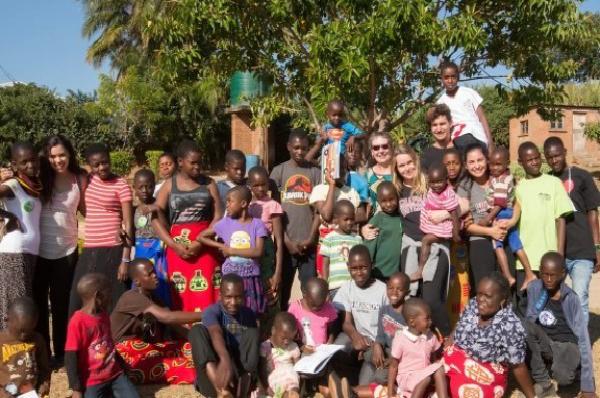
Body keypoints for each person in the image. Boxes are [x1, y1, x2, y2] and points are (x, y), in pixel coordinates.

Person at [153, 139, 222, 312]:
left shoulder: (209, 183)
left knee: (209, 295)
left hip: (206, 245)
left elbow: (219, 216)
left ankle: (209, 334)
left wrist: (202, 241)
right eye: (193, 163)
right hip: (178, 250)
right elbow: (154, 215)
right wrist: (173, 245)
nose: (198, 167)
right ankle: (183, 337)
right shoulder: (169, 185)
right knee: (180, 296)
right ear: (180, 162)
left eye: (200, 162)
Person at [35, 134, 87, 365]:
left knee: (61, 304)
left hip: (66, 251)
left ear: (70, 154)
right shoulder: (37, 177)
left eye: (62, 155)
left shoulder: (80, 179)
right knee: (38, 304)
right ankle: (43, 352)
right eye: (53, 156)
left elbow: (89, 211)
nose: (58, 160)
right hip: (37, 251)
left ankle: (62, 354)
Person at [110, 259, 201, 385]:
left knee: (190, 348)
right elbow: (168, 317)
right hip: (124, 355)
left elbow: (176, 326)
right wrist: (206, 314)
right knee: (178, 366)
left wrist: (201, 341)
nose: (155, 276)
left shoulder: (154, 300)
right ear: (137, 281)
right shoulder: (130, 297)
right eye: (149, 274)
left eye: (154, 272)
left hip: (147, 350)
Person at [68, 143, 133, 316]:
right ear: (89, 165)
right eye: (96, 165)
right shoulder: (87, 180)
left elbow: (128, 222)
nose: (101, 167)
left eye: (105, 162)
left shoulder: (121, 184)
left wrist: (125, 260)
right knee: (79, 299)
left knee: (113, 301)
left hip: (114, 249)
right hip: (90, 248)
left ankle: (115, 341)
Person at [444, 273, 535, 398]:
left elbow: (518, 366)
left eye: (487, 296)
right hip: (458, 356)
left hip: (485, 373)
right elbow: (460, 323)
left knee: (462, 391)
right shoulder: (473, 305)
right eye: (479, 294)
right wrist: (450, 338)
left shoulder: (510, 326)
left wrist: (532, 396)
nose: (480, 299)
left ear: (502, 300)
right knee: (428, 372)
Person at [392, 144, 451, 335]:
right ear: (396, 169)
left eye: (409, 162)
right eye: (401, 166)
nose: (407, 168)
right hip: (410, 248)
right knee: (412, 301)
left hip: (435, 245)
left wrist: (445, 213)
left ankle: (451, 340)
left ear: (415, 160)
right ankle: (425, 344)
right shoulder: (397, 190)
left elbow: (460, 204)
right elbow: (382, 211)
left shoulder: (431, 182)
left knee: (432, 300)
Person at [544, 136, 600, 324]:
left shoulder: (582, 176)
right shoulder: (547, 180)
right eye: (550, 157)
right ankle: (560, 338)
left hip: (582, 250)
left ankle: (580, 344)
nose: (554, 160)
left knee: (579, 297)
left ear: (565, 153)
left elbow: (593, 213)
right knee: (552, 298)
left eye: (557, 155)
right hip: (556, 252)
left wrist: (597, 247)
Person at [523, 252, 596, 397]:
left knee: (563, 378)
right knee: (525, 327)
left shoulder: (571, 299)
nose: (549, 279)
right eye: (545, 274)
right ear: (540, 271)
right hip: (547, 342)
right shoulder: (534, 288)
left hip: (567, 344)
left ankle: (575, 373)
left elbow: (583, 338)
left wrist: (588, 386)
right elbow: (531, 320)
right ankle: (544, 383)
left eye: (553, 275)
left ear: (562, 274)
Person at [65, 273, 139, 398]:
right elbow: (70, 356)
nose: (111, 298)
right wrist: (76, 388)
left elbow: (109, 344)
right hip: (92, 380)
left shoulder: (103, 315)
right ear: (98, 296)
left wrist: (122, 363)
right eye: (109, 293)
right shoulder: (77, 321)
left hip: (115, 374)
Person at [270, 130, 321, 310]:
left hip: (309, 245)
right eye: (296, 147)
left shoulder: (315, 173)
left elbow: (318, 211)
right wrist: (286, 241)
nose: (300, 151)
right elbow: (274, 212)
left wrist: (310, 238)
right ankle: (281, 328)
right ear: (289, 147)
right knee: (282, 291)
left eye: (304, 148)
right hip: (285, 245)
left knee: (310, 291)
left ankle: (308, 327)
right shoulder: (278, 172)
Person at [188, 274, 259, 398]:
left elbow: (251, 352)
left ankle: (244, 388)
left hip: (238, 376)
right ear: (220, 296)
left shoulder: (248, 314)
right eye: (228, 297)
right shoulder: (212, 312)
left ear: (244, 295)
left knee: (253, 332)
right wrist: (224, 359)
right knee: (197, 331)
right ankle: (222, 391)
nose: (233, 302)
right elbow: (215, 332)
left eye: (238, 297)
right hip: (214, 375)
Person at [199, 186, 268, 315]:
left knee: (253, 314)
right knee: (230, 314)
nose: (227, 205)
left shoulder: (257, 224)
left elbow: (258, 251)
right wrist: (220, 246)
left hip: (251, 277)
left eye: (230, 201)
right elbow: (201, 236)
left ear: (243, 203)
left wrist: (231, 251)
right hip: (230, 279)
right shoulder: (225, 223)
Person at [514, 142, 573, 291]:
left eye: (537, 158)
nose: (534, 162)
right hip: (524, 261)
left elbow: (561, 220)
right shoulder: (517, 188)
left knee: (549, 308)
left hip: (549, 261)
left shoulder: (554, 183)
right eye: (529, 159)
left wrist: (559, 254)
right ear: (521, 162)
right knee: (526, 307)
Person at [332, 245, 388, 385]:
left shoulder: (383, 290)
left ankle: (359, 384)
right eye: (354, 268)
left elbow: (388, 325)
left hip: (376, 342)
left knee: (370, 381)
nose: (359, 273)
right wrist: (355, 336)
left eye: (363, 267)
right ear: (348, 267)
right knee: (338, 348)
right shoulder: (347, 288)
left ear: (371, 265)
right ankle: (345, 380)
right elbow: (346, 322)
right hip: (358, 335)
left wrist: (377, 344)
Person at [0, 142, 42, 330]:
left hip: (27, 254)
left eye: (33, 160)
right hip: (14, 253)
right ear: (14, 165)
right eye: (24, 162)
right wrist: (8, 216)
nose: (30, 165)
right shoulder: (13, 185)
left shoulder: (34, 185)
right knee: (16, 309)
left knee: (20, 304)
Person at [457, 143, 508, 288]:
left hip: (505, 234)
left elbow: (515, 205)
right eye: (471, 162)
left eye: (480, 160)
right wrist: (491, 232)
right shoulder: (464, 186)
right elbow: (467, 226)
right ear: (466, 165)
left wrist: (504, 228)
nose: (477, 166)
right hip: (480, 238)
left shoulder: (499, 179)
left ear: (487, 160)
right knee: (485, 285)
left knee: (506, 283)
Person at [482, 147, 533, 288]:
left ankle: (508, 276)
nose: (494, 168)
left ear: (507, 163)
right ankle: (529, 273)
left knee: (498, 246)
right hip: (510, 213)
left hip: (500, 214)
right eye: (491, 164)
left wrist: (488, 218)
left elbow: (499, 203)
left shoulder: (500, 181)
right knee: (516, 245)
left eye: (498, 164)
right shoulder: (508, 177)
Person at [354, 272, 409, 394]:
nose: (394, 292)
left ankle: (352, 390)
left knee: (379, 377)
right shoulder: (384, 310)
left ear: (407, 292)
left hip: (399, 357)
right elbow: (380, 335)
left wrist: (395, 359)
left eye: (399, 289)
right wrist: (377, 345)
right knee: (368, 354)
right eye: (390, 288)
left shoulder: (409, 314)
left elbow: (411, 345)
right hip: (386, 352)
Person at [247, 166, 284, 332]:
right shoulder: (245, 204)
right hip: (248, 255)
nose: (261, 189)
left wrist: (277, 273)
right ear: (249, 185)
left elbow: (279, 240)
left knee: (271, 296)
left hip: (267, 255)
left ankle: (272, 339)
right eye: (256, 185)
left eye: (264, 184)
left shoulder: (273, 205)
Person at [387, 298, 447, 398]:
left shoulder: (430, 336)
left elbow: (434, 358)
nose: (431, 322)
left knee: (438, 368)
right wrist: (390, 392)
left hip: (424, 374)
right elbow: (393, 366)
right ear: (412, 322)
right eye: (427, 319)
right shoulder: (401, 338)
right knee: (426, 378)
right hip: (407, 378)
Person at [415, 164, 461, 282]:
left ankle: (420, 270)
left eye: (439, 182)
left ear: (446, 179)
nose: (436, 186)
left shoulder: (447, 194)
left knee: (426, 240)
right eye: (432, 182)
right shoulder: (433, 190)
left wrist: (455, 234)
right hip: (434, 223)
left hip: (444, 228)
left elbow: (454, 214)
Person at [132, 169, 171, 305]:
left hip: (158, 254)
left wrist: (157, 210)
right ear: (134, 188)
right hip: (141, 254)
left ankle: (164, 319)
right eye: (140, 187)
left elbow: (167, 230)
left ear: (154, 186)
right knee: (141, 286)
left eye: (148, 186)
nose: (144, 190)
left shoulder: (159, 205)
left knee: (160, 284)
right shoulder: (134, 209)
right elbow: (133, 234)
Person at [436, 61, 493, 151]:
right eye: (446, 77)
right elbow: (444, 127)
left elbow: (482, 117)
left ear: (458, 77)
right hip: (460, 140)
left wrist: (491, 143)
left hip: (479, 137)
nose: (450, 81)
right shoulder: (441, 103)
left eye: (453, 77)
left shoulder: (469, 93)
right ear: (442, 79)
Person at [0, 297, 50, 397]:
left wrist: (44, 385)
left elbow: (44, 368)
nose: (24, 335)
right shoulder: (1, 341)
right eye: (21, 330)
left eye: (29, 330)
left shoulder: (38, 339)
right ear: (7, 319)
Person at [319, 200, 363, 293]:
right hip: (335, 287)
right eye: (346, 219)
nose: (349, 222)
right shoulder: (329, 238)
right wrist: (325, 286)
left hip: (354, 287)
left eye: (352, 219)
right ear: (336, 219)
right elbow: (325, 265)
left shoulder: (357, 239)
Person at [363, 181, 403, 280]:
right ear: (378, 201)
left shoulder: (401, 218)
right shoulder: (377, 220)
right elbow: (369, 248)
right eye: (384, 201)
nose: (388, 204)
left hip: (398, 274)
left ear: (397, 198)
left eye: (391, 199)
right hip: (379, 274)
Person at [259, 312, 301, 398]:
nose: (286, 342)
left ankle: (292, 394)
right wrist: (266, 386)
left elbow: (298, 366)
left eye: (290, 339)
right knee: (278, 387)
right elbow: (262, 369)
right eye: (283, 338)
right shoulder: (265, 347)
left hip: (290, 379)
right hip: (274, 378)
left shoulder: (293, 346)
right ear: (273, 330)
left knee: (292, 375)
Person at [288, 277, 338, 350]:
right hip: (303, 349)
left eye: (320, 306)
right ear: (305, 295)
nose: (317, 308)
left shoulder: (328, 307)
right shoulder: (295, 308)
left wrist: (330, 343)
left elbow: (332, 329)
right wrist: (302, 347)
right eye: (313, 305)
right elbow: (291, 333)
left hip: (323, 349)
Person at [365, 132, 394, 212]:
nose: (381, 151)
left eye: (385, 146)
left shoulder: (400, 171)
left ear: (391, 148)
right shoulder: (368, 175)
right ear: (372, 152)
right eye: (376, 148)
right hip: (378, 222)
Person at [420, 104, 454, 171]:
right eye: (434, 125)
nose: (439, 129)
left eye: (442, 124)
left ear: (450, 123)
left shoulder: (461, 147)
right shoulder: (426, 156)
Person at [346, 139, 370, 212]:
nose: (353, 154)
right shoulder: (338, 175)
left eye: (357, 152)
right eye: (350, 151)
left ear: (360, 155)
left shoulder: (363, 179)